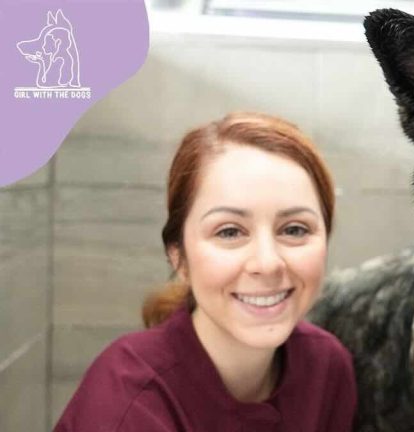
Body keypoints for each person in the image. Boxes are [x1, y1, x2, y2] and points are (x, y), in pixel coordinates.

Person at [54, 113, 357, 431]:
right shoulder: (127, 401)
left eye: (294, 229)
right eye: (229, 232)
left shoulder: (326, 367)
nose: (268, 263)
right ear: (179, 258)